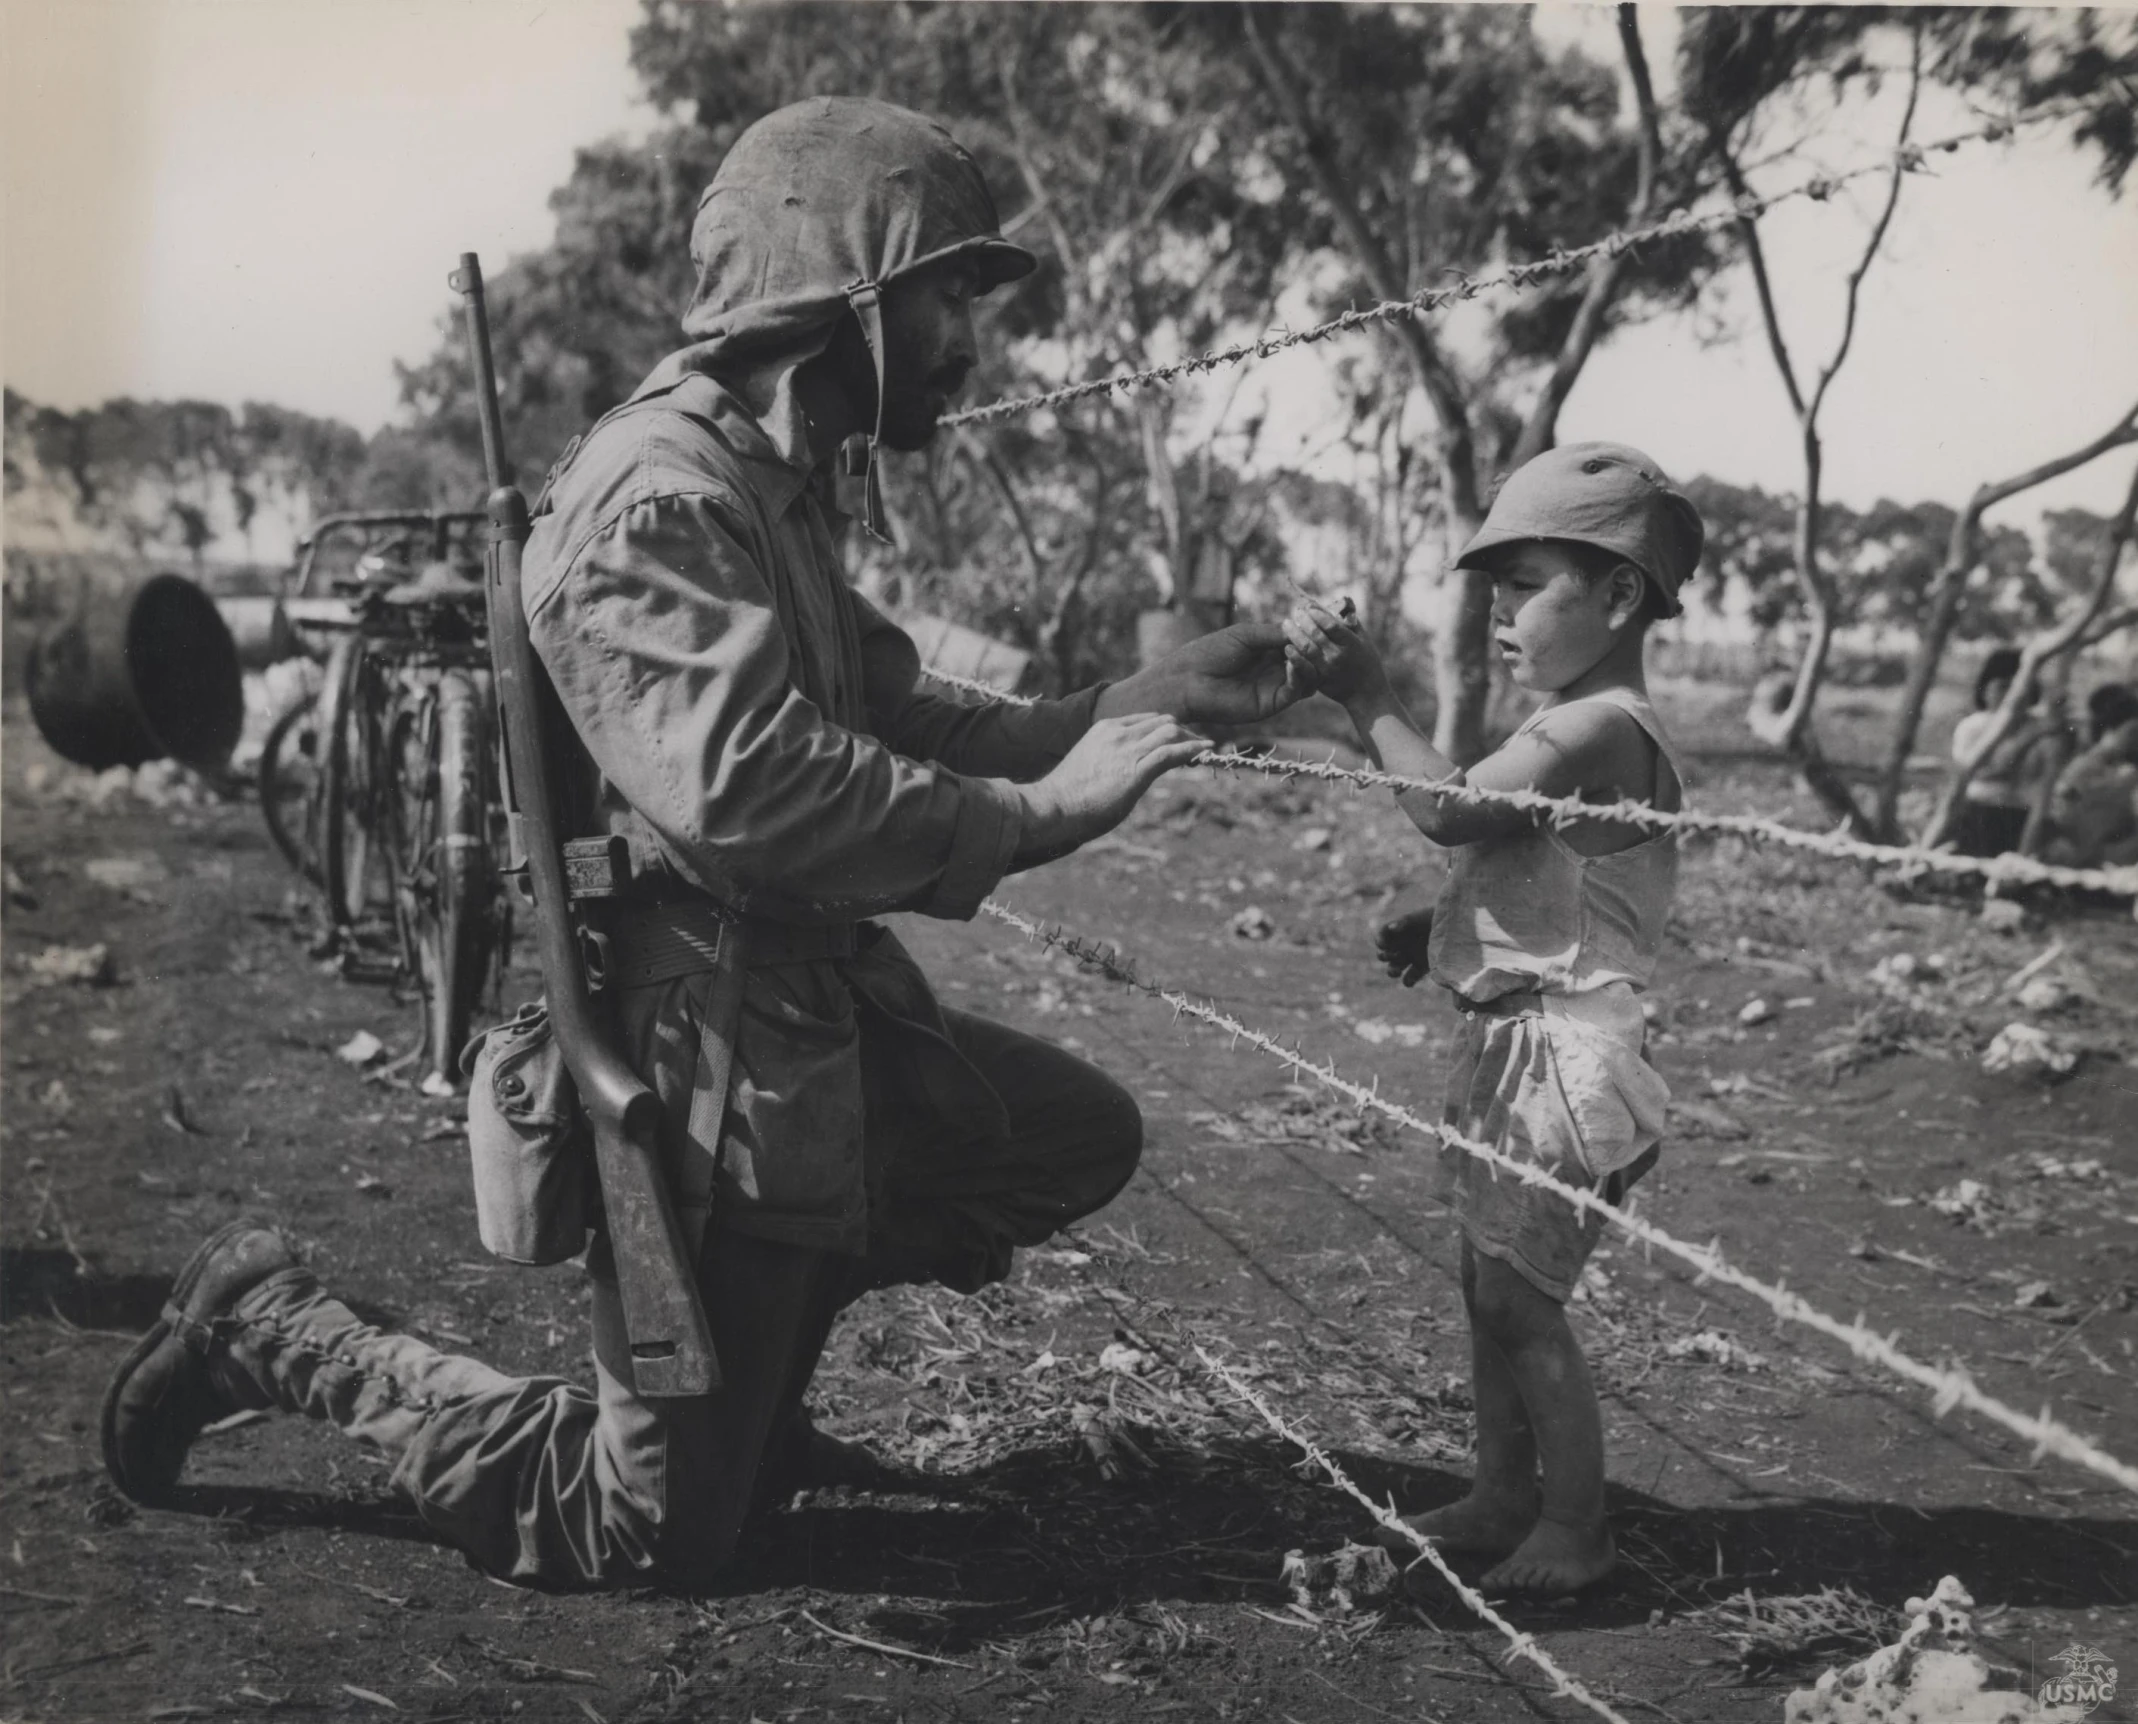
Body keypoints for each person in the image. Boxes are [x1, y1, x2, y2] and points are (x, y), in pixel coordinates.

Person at [101, 97, 1306, 1590]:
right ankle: (274, 1330)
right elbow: (749, 785)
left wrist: (1130, 701)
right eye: (946, 297)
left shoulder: (768, 481)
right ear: (847, 302)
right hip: (699, 1062)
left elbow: (895, 709)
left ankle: (743, 1393)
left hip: (803, 1025)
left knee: (1058, 1139)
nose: (968, 344)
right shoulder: (660, 494)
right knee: (634, 1534)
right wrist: (1038, 818)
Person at [1282, 442, 1700, 1598]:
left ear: (1617, 595)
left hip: (1568, 1063)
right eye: (1496, 591)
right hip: (1516, 1042)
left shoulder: (1600, 726)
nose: (1502, 615)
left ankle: (1573, 1525)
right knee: (1487, 1283)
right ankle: (1500, 1490)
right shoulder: (1569, 722)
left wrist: (1367, 694)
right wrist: (1444, 930)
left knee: (1521, 1298)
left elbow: (1454, 810)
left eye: (1530, 586)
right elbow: (1537, 868)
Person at [1948, 647, 2061, 858]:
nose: (2011, 696)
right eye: (2002, 687)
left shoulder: (2039, 726)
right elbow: (1983, 772)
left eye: (2018, 688)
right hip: (1981, 813)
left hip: (2024, 815)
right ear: (1984, 690)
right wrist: (2028, 738)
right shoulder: (1973, 726)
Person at [2044, 682, 2138, 867]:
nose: (2136, 740)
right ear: (2109, 730)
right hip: (2086, 845)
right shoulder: (2082, 767)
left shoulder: (2126, 767)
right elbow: (2064, 813)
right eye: (2132, 733)